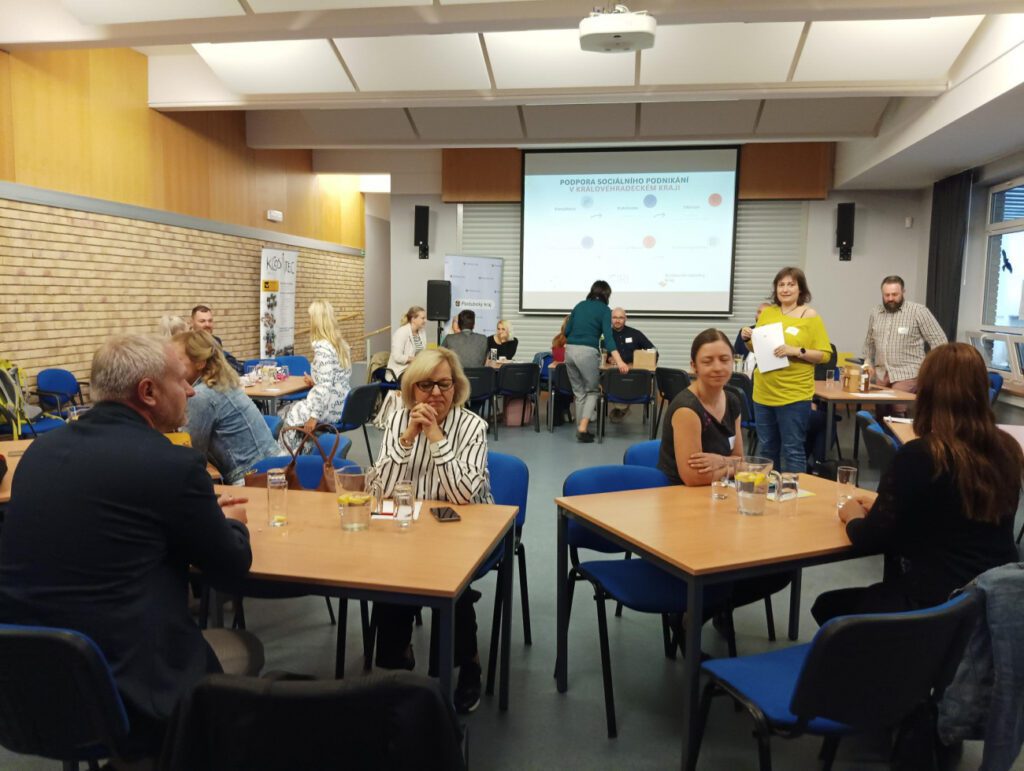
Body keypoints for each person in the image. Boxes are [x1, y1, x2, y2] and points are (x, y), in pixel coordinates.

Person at [0, 334, 258, 755]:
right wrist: (232, 523)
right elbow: (230, 567)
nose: (191, 390)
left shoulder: (38, 454)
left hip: (28, 693)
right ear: (149, 392)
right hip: (133, 699)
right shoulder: (173, 465)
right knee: (246, 648)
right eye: (181, 380)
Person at [811, 343, 1021, 625]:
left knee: (827, 607)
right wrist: (886, 506)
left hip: (932, 605)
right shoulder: (1008, 450)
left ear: (927, 392)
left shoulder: (921, 455)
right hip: (991, 601)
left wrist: (852, 516)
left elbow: (870, 539)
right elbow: (954, 514)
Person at [367, 347, 491, 715]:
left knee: (452, 583)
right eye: (426, 385)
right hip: (408, 528)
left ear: (456, 387)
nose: (436, 393)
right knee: (388, 578)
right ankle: (397, 659)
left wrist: (436, 437)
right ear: (411, 389)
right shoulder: (396, 422)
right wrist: (407, 437)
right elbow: (379, 490)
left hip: (465, 531)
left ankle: (466, 664)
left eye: (444, 384)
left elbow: (462, 495)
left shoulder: (473, 427)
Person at [740, 267, 831, 473]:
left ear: (801, 289)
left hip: (793, 394)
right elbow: (757, 348)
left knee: (792, 449)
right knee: (767, 448)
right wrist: (747, 339)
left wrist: (797, 351)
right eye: (781, 285)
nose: (785, 289)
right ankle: (769, 489)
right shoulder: (768, 313)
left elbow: (825, 355)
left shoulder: (810, 316)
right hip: (763, 392)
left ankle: (793, 491)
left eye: (791, 284)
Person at [172, 329, 280, 484]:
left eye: (177, 360)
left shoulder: (202, 395)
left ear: (200, 363)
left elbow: (189, 452)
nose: (171, 366)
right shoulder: (220, 383)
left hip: (253, 480)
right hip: (270, 469)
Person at [658, 329, 743, 485]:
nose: (718, 367)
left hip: (718, 489)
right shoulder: (687, 409)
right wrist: (734, 467)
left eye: (724, 359)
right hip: (680, 492)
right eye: (707, 361)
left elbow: (739, 457)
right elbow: (693, 477)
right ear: (694, 366)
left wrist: (720, 460)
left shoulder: (732, 401)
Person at [862, 275, 947, 415]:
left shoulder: (918, 311)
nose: (890, 298)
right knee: (881, 410)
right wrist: (868, 363)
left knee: (896, 407)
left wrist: (929, 370)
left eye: (894, 294)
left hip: (908, 372)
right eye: (886, 295)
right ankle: (882, 429)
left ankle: (901, 427)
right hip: (882, 373)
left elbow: (940, 342)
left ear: (903, 292)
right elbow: (869, 343)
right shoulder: (876, 313)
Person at [278, 299, 352, 452]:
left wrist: (314, 416)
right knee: (293, 410)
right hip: (341, 405)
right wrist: (315, 380)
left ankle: (287, 457)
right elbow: (335, 378)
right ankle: (306, 452)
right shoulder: (341, 345)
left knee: (283, 412)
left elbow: (325, 386)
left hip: (326, 408)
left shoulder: (323, 348)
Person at [564, 280, 629, 443]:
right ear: (607, 295)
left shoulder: (579, 305)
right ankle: (582, 428)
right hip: (587, 352)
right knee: (592, 391)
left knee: (579, 392)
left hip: (569, 350)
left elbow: (566, 331)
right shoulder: (605, 310)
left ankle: (580, 428)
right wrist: (620, 361)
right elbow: (609, 339)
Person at [608, 307, 656, 422]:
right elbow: (598, 353)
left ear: (626, 319)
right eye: (614, 317)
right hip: (614, 374)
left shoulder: (635, 334)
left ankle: (621, 408)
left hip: (633, 374)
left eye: (621, 318)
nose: (617, 320)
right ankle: (621, 408)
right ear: (610, 319)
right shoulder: (605, 335)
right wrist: (608, 359)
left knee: (627, 382)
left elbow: (653, 351)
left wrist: (638, 363)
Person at [191, 304, 244, 375]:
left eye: (210, 321)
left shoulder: (216, 341)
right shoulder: (188, 343)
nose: (207, 324)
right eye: (202, 321)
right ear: (192, 322)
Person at [388, 305, 428, 378]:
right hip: (400, 371)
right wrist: (415, 359)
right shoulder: (401, 332)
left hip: (415, 369)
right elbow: (397, 357)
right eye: (423, 318)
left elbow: (423, 352)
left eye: (425, 318)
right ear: (413, 319)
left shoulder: (422, 332)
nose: (425, 321)